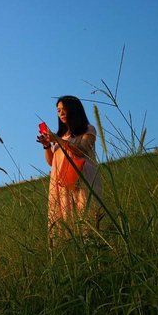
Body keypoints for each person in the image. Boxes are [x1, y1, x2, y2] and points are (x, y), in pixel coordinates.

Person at [37, 95, 103, 246]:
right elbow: (52, 162)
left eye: (64, 109)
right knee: (64, 223)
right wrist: (47, 145)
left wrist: (58, 140)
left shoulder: (88, 129)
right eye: (58, 110)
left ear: (74, 110)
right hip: (62, 183)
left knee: (86, 217)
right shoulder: (60, 136)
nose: (61, 113)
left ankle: (92, 250)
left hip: (82, 180)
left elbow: (82, 150)